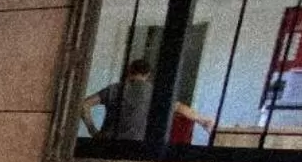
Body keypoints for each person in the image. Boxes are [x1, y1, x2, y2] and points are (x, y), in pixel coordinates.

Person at [82, 59, 215, 143]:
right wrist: (203, 120)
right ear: (148, 75)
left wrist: (93, 131)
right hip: (138, 146)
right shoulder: (155, 93)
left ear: (129, 71)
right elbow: (181, 108)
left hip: (108, 143)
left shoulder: (115, 89)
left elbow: (84, 105)